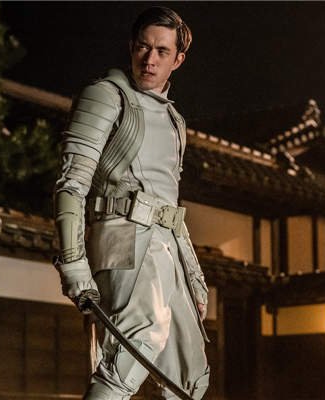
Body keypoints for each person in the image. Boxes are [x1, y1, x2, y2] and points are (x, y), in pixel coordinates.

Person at [53, 6, 210, 400]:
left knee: (189, 374)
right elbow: (72, 183)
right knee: (131, 351)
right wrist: (73, 262)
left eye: (162, 51)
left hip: (168, 247)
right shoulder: (106, 95)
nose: (150, 59)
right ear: (131, 47)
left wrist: (193, 274)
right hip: (123, 239)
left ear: (178, 59)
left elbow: (171, 206)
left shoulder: (174, 119)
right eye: (143, 47)